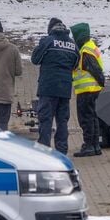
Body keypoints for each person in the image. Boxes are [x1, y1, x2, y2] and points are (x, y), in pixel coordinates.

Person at [30, 18, 79, 154]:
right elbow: (75, 64)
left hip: (48, 88)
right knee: (62, 121)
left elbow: (35, 59)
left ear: (50, 29)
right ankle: (62, 151)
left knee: (46, 120)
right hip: (65, 89)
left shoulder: (47, 41)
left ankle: (44, 150)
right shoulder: (73, 45)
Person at [70, 22, 105, 157]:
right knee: (92, 116)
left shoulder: (85, 51)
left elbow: (94, 68)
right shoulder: (90, 46)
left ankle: (89, 145)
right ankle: (95, 145)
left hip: (87, 89)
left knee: (85, 118)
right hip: (92, 88)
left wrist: (101, 81)